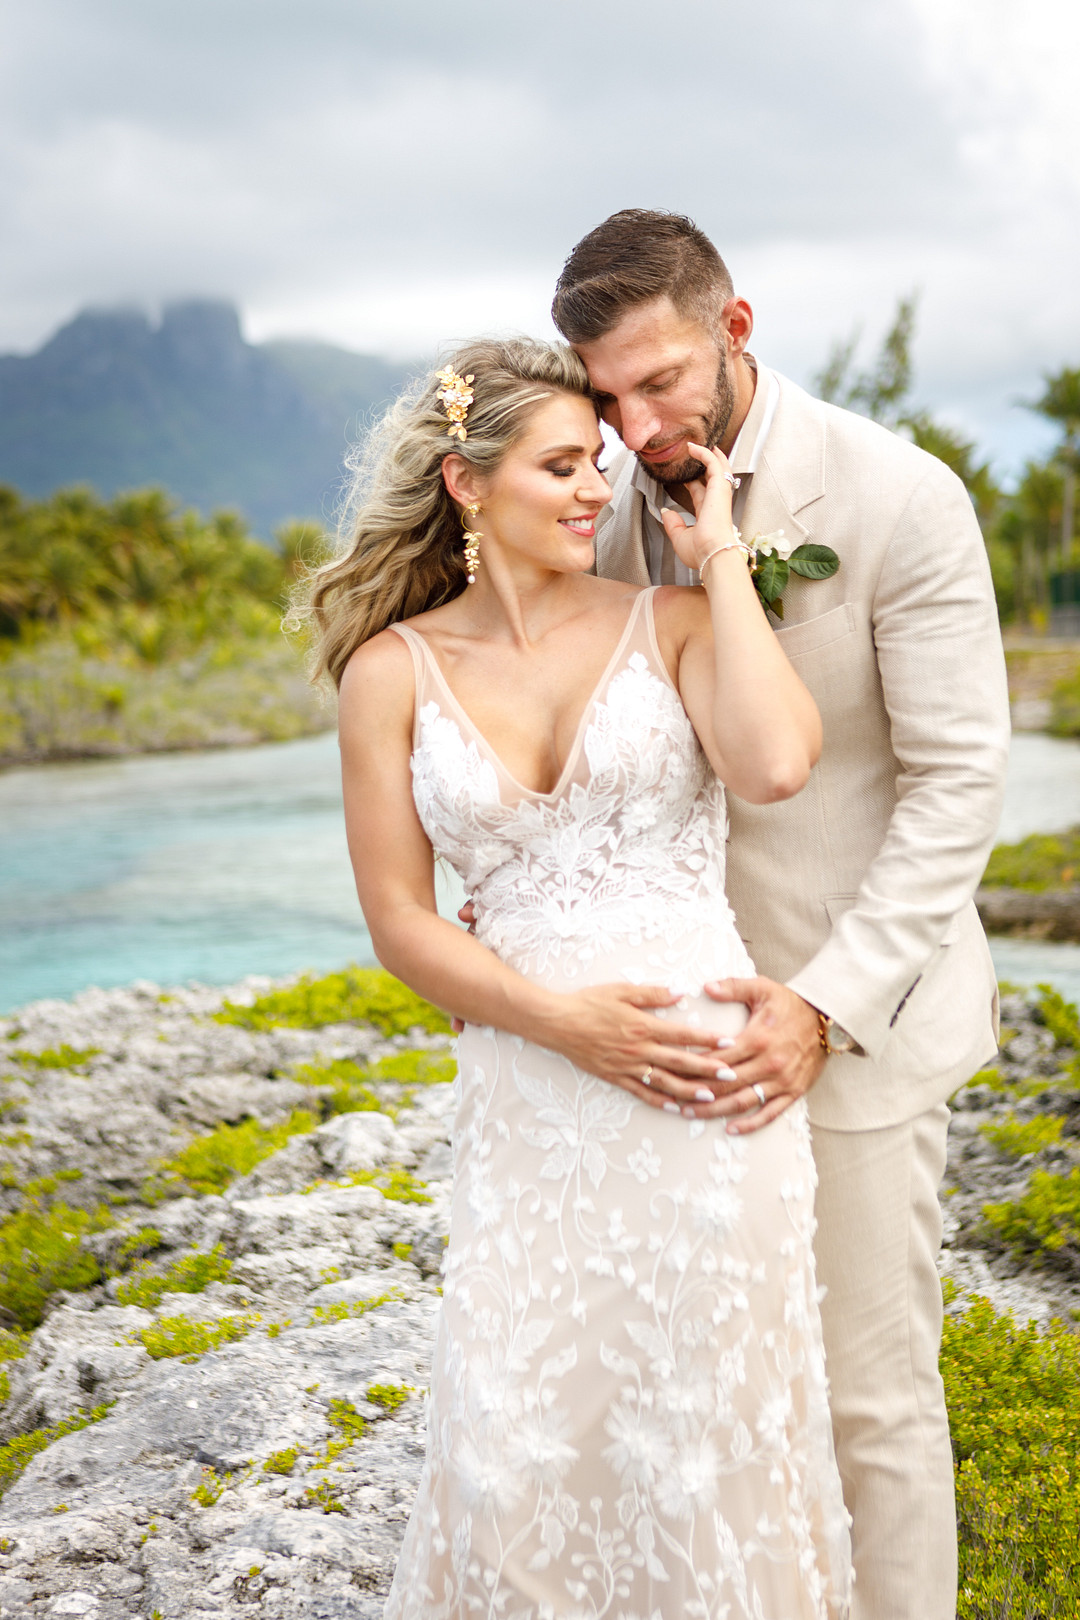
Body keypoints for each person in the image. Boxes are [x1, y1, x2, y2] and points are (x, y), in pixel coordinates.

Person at [306, 337, 852, 1617]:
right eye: (561, 465)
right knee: (518, 1435)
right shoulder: (391, 674)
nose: (595, 489)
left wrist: (715, 549)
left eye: (599, 464)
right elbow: (398, 919)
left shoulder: (668, 622)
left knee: (710, 1444)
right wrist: (561, 1024)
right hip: (533, 1092)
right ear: (466, 482)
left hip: (711, 1095)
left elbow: (774, 765)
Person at [547, 210, 1012, 1620]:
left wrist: (820, 1008)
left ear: (735, 331)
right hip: (666, 1043)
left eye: (660, 383)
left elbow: (955, 788)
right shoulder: (585, 506)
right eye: (605, 397)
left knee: (870, 1402)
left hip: (852, 1028)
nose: (633, 429)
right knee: (705, 1401)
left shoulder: (900, 498)